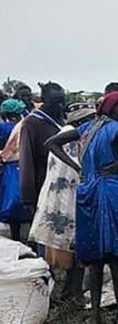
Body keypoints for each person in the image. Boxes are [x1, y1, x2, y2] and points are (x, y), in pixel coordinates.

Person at [47, 91, 118, 324]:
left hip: (88, 190)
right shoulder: (116, 127)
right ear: (112, 110)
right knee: (115, 254)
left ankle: (95, 314)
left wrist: (77, 167)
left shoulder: (87, 128)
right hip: (111, 191)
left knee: (94, 255)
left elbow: (52, 143)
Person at [30, 103, 96, 302]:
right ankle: (72, 291)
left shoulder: (63, 133)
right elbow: (78, 168)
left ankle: (60, 290)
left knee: (59, 243)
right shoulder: (72, 136)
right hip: (69, 198)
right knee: (75, 243)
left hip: (56, 197)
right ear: (82, 120)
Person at [19, 82, 67, 226]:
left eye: (62, 101)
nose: (60, 106)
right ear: (44, 101)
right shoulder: (32, 123)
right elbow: (27, 160)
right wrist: (28, 198)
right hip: (43, 183)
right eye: (56, 102)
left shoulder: (62, 120)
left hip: (63, 184)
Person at [0, 99, 33, 241]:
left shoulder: (3, 128)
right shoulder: (25, 126)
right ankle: (31, 238)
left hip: (9, 167)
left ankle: (15, 237)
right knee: (28, 200)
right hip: (26, 164)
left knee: (11, 201)